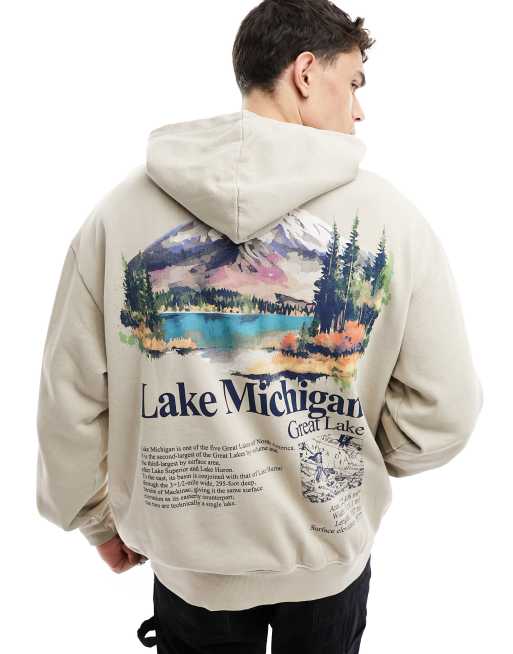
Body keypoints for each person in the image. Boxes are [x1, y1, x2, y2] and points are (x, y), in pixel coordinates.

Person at [35, 1, 484, 652]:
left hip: (188, 568)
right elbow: (444, 411)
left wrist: (95, 520)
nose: (358, 109)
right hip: (326, 560)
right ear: (305, 73)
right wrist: (348, 454)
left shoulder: (117, 215)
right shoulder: (392, 218)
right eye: (353, 82)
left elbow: (69, 402)